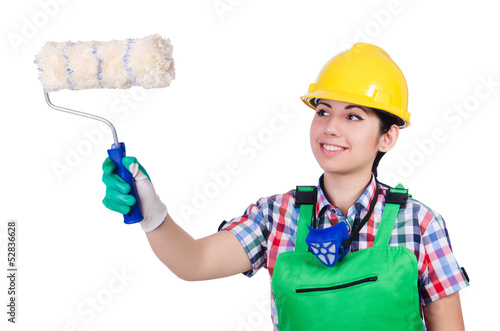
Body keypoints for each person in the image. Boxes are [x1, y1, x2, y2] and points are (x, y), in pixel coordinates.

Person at [102, 43, 469, 330]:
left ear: (388, 137)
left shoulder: (419, 224)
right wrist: (152, 214)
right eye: (323, 111)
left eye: (353, 116)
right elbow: (194, 262)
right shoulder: (276, 216)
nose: (331, 127)